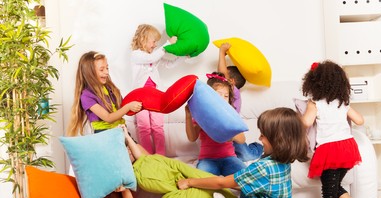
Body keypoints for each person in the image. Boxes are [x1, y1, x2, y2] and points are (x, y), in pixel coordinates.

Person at [178, 107, 310, 198]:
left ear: (278, 139)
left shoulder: (263, 168)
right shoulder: (283, 163)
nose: (259, 138)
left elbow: (221, 182)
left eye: (263, 135)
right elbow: (245, 183)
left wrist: (190, 182)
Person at [96, 125, 239, 198]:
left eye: (128, 148)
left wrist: (127, 136)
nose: (129, 151)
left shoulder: (127, 167)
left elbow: (145, 159)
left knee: (169, 189)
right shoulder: (111, 183)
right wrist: (125, 190)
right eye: (125, 150)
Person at [300, 60, 368, 198]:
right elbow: (360, 120)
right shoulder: (342, 102)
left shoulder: (315, 103)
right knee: (334, 186)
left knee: (329, 192)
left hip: (329, 149)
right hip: (347, 148)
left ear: (314, 82)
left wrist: (299, 116)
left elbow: (306, 122)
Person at [129, 24, 185, 156]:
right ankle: (147, 156)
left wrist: (184, 57)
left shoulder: (155, 55)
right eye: (153, 41)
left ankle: (161, 156)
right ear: (143, 39)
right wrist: (166, 45)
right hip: (139, 97)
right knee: (144, 127)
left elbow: (169, 64)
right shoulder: (136, 55)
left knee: (158, 127)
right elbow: (151, 59)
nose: (155, 45)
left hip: (155, 96)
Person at [185, 72, 247, 176]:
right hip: (207, 160)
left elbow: (242, 139)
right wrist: (188, 116)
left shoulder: (230, 114)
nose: (222, 98)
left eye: (226, 96)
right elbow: (192, 138)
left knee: (246, 178)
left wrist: (229, 134)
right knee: (202, 181)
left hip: (230, 158)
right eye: (218, 94)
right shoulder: (202, 114)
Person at [67, 51, 142, 136]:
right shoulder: (86, 96)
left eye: (107, 68)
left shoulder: (109, 88)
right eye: (102, 69)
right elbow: (108, 118)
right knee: (134, 149)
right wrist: (128, 107)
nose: (106, 72)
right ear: (89, 72)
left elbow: (121, 106)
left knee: (139, 149)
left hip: (120, 130)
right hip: (105, 134)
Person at [218, 42, 263, 163]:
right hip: (222, 129)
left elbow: (222, 75)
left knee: (246, 156)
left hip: (233, 129)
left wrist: (222, 52)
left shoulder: (234, 91)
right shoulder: (218, 92)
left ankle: (258, 147)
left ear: (231, 82)